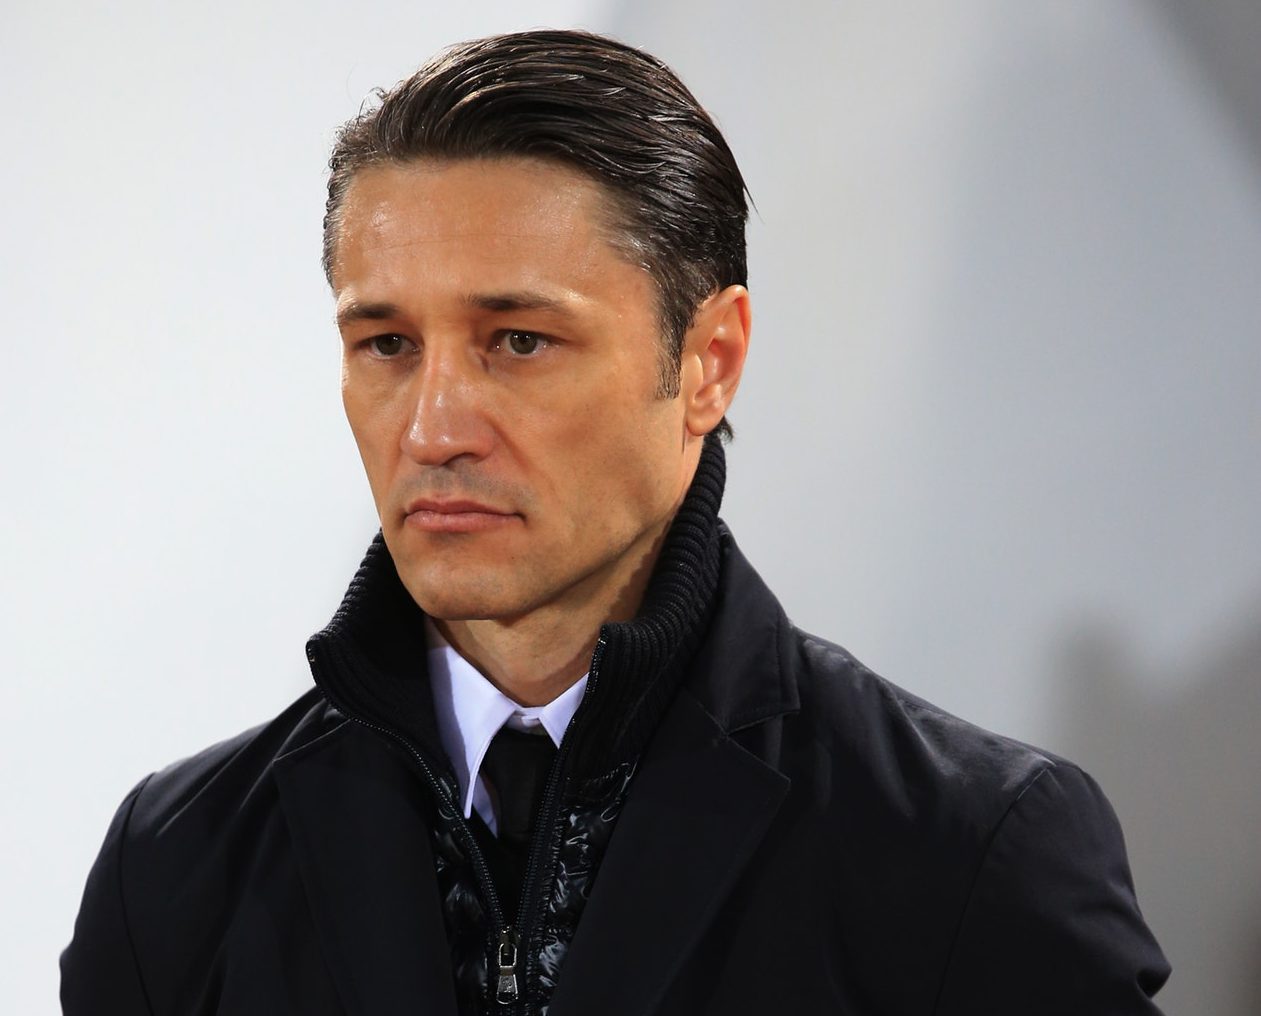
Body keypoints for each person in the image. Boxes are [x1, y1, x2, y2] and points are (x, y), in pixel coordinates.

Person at [61, 29, 1170, 1016]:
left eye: (519, 341)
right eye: (387, 344)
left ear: (709, 361)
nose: (433, 429)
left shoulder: (969, 858)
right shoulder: (171, 872)